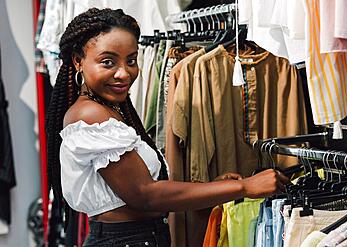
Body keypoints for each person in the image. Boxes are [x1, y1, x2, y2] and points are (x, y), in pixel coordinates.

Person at [46, 8, 289, 246]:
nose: (124, 73)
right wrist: (243, 187)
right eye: (108, 62)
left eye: (131, 60)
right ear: (78, 61)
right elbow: (145, 195)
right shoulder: (90, 115)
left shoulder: (107, 109)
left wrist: (214, 186)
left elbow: (142, 189)